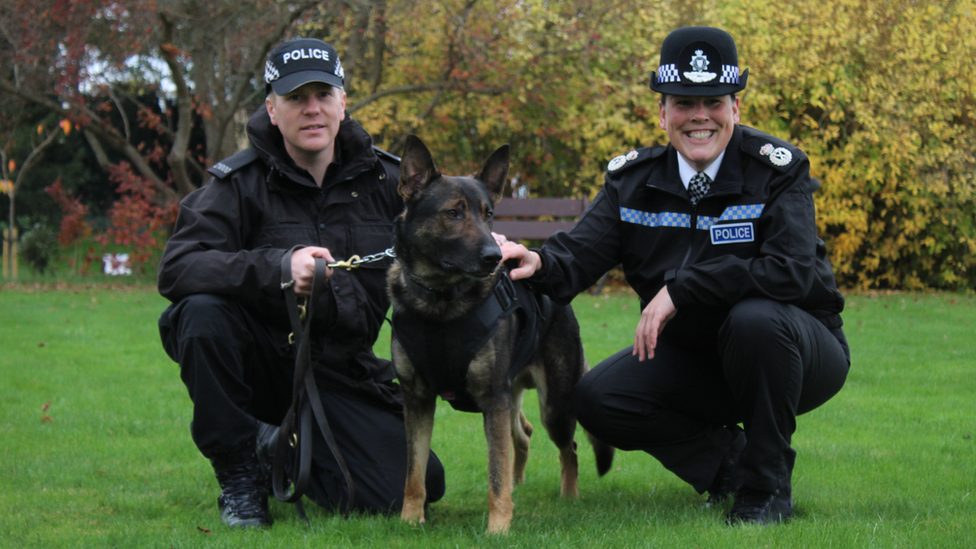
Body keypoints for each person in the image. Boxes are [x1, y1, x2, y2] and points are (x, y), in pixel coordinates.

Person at [500, 26, 849, 525]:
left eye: (713, 101)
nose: (699, 116)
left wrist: (684, 288)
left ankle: (767, 488)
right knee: (598, 399)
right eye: (684, 103)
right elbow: (576, 257)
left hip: (796, 353)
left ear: (736, 108)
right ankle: (729, 467)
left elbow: (793, 272)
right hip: (699, 361)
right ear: (662, 112)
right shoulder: (632, 182)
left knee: (755, 320)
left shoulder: (778, 170)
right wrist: (537, 261)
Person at [157, 37, 445, 528]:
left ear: (342, 102)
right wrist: (277, 269)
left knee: (417, 486)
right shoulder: (236, 184)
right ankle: (239, 475)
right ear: (272, 109)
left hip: (342, 370)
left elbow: (452, 230)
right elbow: (178, 267)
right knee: (200, 313)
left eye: (323, 95)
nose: (311, 110)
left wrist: (498, 247)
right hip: (263, 366)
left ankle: (280, 444)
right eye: (295, 98)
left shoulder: (390, 183)